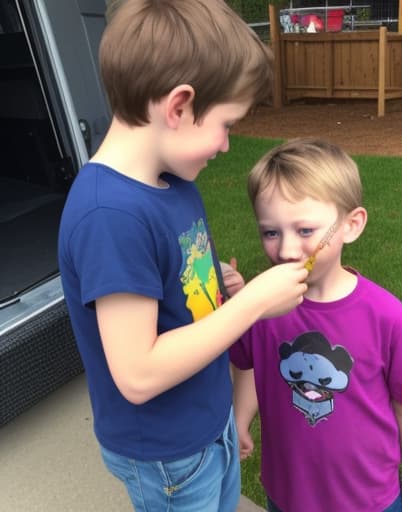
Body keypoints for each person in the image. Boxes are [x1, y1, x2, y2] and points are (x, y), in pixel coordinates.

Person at [57, 2, 309, 511]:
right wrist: (254, 303)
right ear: (179, 107)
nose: (225, 145)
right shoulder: (110, 216)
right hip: (167, 453)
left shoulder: (168, 181)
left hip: (203, 419)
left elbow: (162, 273)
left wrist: (212, 281)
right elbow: (138, 374)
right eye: (226, 124)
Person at [229, 138, 402, 512]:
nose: (287, 250)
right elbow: (251, 365)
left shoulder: (384, 315)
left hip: (371, 499)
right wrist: (240, 418)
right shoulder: (262, 304)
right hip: (289, 494)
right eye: (270, 232)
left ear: (351, 225)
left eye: (305, 231)